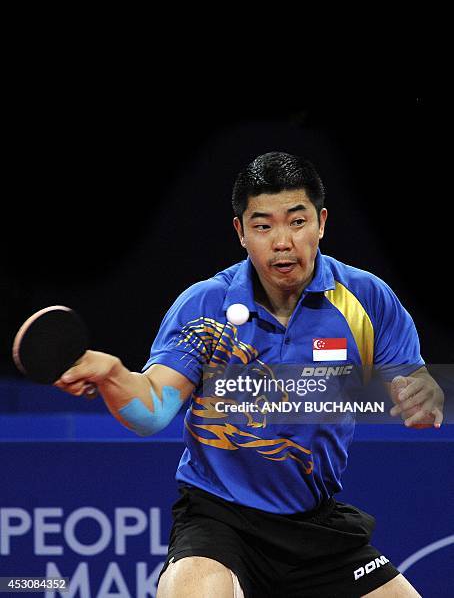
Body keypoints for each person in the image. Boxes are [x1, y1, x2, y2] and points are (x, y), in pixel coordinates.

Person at [56, 152, 444, 597]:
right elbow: (153, 410)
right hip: (220, 520)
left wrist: (424, 397)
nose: (282, 242)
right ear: (241, 232)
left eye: (297, 222)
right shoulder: (205, 306)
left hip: (315, 526)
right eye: (263, 226)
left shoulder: (366, 299)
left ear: (321, 222)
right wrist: (111, 375)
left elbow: (413, 382)